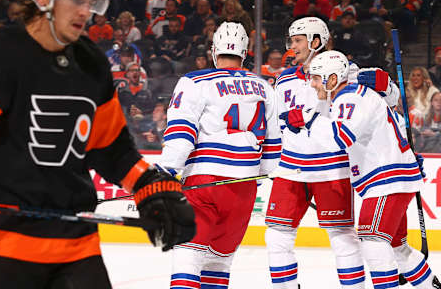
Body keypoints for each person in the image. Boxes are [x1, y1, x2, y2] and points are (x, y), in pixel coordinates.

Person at [0, 0, 196, 288]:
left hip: (74, 248)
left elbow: (113, 150)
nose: (86, 12)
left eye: (91, 1)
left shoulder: (90, 63)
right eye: (76, 0)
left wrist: (150, 186)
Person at [265, 16, 401, 289]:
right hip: (291, 169)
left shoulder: (347, 73)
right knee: (276, 235)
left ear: (316, 41)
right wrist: (270, 163)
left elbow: (390, 101)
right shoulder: (285, 80)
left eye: (298, 40)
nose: (292, 46)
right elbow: (275, 126)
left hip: (332, 168)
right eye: (291, 40)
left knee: (341, 236)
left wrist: (386, 85)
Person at [292, 50, 441, 289]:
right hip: (393, 175)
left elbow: (340, 137)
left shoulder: (349, 98)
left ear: (332, 79)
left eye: (317, 78)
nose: (312, 83)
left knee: (372, 240)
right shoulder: (355, 96)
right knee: (396, 246)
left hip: (386, 178)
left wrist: (306, 119)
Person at [159, 22, 281, 289]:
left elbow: (181, 135)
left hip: (203, 184)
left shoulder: (194, 82)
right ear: (245, 53)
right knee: (218, 265)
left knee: (188, 258)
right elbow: (273, 148)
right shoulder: (264, 87)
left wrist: (164, 172)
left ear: (214, 50)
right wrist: (253, 178)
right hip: (243, 189)